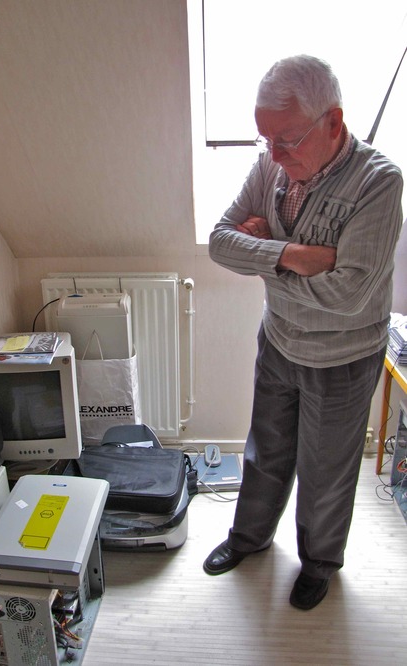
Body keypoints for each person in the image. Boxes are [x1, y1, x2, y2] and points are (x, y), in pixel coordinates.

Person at [205, 54, 403, 610]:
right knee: (263, 452)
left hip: (345, 357)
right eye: (264, 139)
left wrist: (260, 257)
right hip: (279, 342)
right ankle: (249, 538)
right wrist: (293, 254)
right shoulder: (272, 165)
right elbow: (221, 240)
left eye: (287, 139)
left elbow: (348, 295)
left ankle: (318, 563)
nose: (273, 154)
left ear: (333, 123)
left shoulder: (380, 182)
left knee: (326, 472)